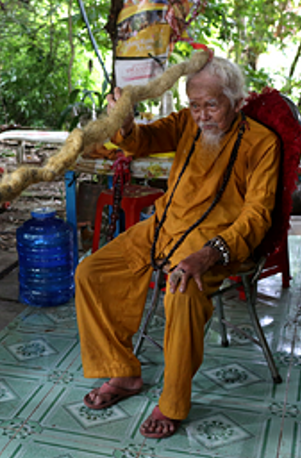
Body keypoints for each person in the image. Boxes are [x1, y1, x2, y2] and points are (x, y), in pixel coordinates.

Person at [75, 56, 281, 439]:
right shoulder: (186, 124)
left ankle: (172, 404)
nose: (202, 115)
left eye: (212, 105)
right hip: (162, 227)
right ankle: (122, 372)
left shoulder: (260, 143)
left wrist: (207, 255)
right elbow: (143, 141)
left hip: (215, 245)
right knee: (91, 272)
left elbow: (257, 216)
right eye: (194, 105)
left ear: (237, 101)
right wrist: (124, 123)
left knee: (181, 291)